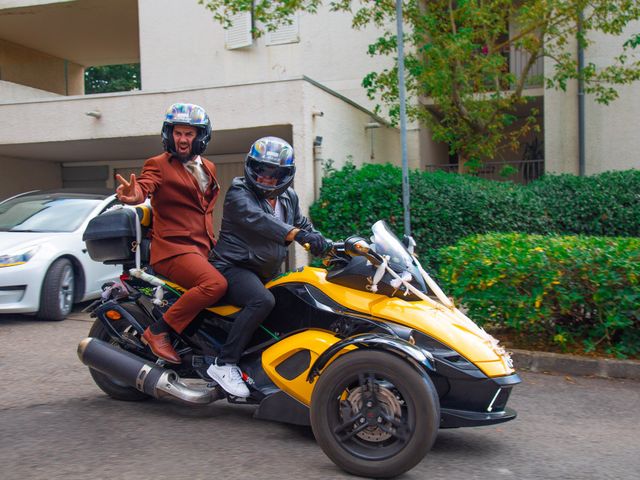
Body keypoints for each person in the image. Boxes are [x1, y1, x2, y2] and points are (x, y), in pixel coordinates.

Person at [207, 136, 329, 397]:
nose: (266, 178)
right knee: (262, 301)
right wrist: (298, 235)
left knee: (296, 301)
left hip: (264, 272)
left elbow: (303, 226)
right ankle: (224, 364)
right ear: (251, 168)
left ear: (285, 175)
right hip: (232, 267)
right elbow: (259, 220)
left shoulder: (289, 198)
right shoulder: (239, 192)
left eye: (274, 173)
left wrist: (327, 245)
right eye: (260, 170)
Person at [115, 103, 227, 364]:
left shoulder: (209, 167)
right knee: (215, 285)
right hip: (173, 250)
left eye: (189, 134)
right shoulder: (158, 164)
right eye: (178, 133)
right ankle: (158, 331)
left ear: (201, 137)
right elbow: (144, 186)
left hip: (204, 248)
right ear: (169, 135)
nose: (183, 140)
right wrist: (134, 196)